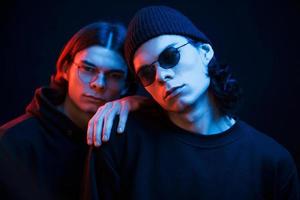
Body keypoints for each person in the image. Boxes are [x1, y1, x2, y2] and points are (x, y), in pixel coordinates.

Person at [91, 6, 300, 199]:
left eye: (170, 56)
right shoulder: (118, 142)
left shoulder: (272, 162)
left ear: (205, 53)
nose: (161, 76)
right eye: (147, 73)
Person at [0, 21, 147, 200]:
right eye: (87, 69)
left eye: (114, 76)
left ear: (127, 85)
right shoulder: (12, 142)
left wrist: (145, 107)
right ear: (65, 69)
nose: (98, 84)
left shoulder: (129, 140)